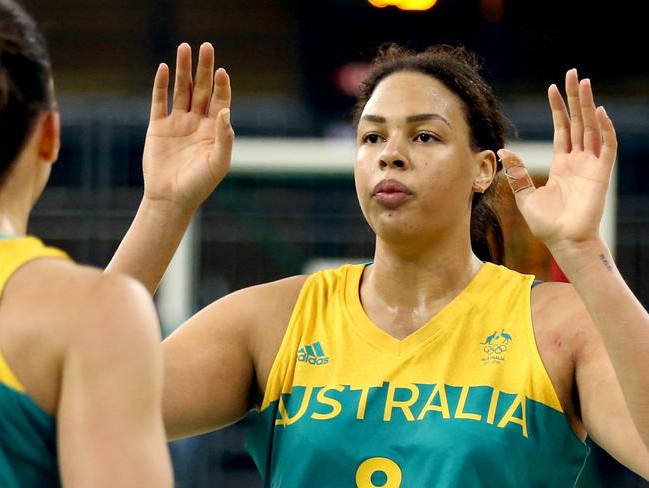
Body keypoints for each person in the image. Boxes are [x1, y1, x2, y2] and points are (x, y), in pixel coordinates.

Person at [109, 40, 649, 486]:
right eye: (372, 136)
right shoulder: (277, 320)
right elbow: (84, 401)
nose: (391, 152)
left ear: (484, 170)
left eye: (424, 135)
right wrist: (163, 208)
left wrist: (581, 249)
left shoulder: (556, 326)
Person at [0, 1, 173, 485]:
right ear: (50, 135)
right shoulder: (86, 317)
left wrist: (164, 206)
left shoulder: (90, 315)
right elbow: (93, 329)